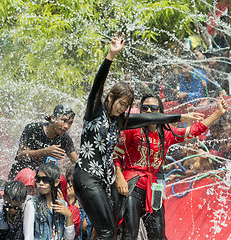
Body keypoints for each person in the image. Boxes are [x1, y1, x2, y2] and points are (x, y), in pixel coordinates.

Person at [73, 32, 204, 239]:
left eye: (126, 106)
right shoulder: (94, 112)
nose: (122, 109)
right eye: (120, 104)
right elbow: (97, 86)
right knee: (108, 231)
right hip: (87, 177)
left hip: (104, 180)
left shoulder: (119, 121)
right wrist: (110, 56)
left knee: (111, 230)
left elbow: (150, 118)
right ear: (110, 98)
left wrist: (180, 115)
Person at [113, 94, 227, 239]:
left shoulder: (167, 134)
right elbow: (116, 156)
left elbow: (195, 130)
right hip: (132, 185)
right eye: (145, 108)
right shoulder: (131, 130)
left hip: (154, 188)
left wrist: (217, 113)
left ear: (160, 111)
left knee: (158, 233)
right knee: (129, 234)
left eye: (153, 108)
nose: (149, 111)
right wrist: (120, 178)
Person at [8, 104, 78, 180]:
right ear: (53, 118)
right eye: (64, 120)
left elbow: (77, 163)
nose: (66, 126)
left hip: (42, 180)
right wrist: (46, 151)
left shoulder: (64, 138)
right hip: (21, 175)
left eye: (70, 123)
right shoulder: (33, 129)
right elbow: (21, 154)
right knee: (28, 175)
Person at [23, 162, 75, 240]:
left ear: (56, 182)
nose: (41, 183)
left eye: (45, 180)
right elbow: (28, 237)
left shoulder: (62, 204)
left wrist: (69, 216)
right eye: (38, 179)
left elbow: (69, 238)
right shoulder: (32, 204)